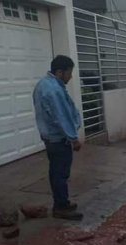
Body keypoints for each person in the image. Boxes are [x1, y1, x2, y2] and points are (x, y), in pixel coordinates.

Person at [33, 55, 83, 220]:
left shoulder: (44, 85)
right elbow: (61, 116)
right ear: (60, 72)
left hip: (50, 138)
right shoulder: (53, 90)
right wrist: (73, 138)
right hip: (58, 139)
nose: (71, 76)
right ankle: (61, 207)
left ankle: (62, 202)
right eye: (69, 73)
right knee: (60, 173)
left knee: (56, 172)